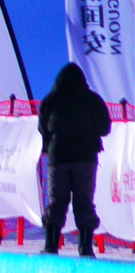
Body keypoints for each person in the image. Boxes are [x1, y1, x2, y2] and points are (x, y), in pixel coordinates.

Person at [39, 62, 111, 257]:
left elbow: (42, 128)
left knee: (56, 201)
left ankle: (51, 245)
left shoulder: (50, 100)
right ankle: (85, 248)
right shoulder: (92, 99)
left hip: (58, 157)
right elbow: (105, 128)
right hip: (85, 157)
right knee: (84, 201)